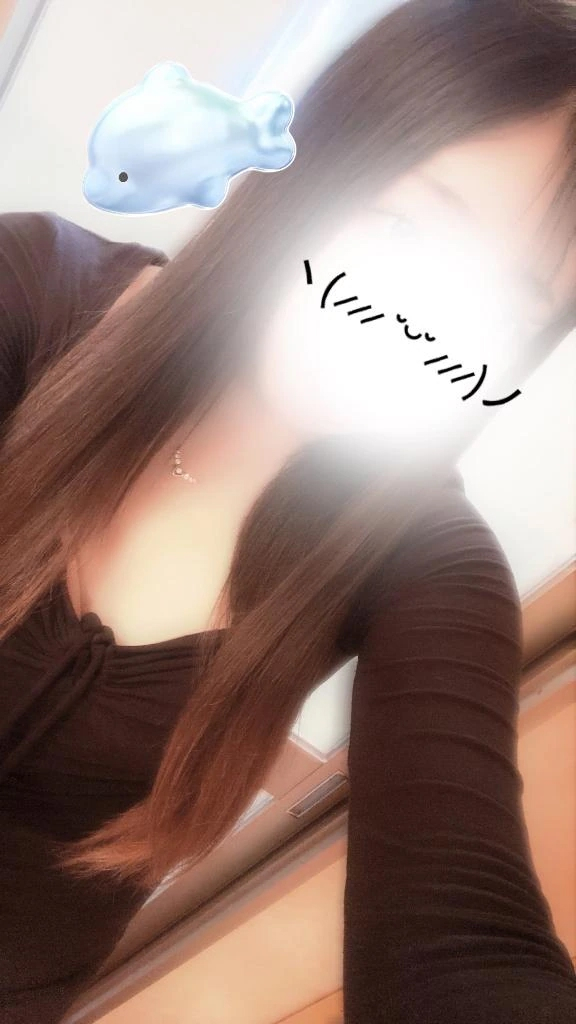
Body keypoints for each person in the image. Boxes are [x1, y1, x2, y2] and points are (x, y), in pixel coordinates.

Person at [1, 1, 576, 1021]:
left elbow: (459, 935)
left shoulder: (426, 562)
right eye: (405, 228)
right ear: (304, 169)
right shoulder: (36, 288)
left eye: (504, 306)